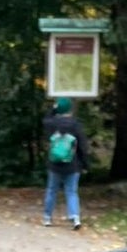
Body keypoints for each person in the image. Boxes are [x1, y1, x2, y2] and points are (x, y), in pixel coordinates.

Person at [42, 95, 89, 229]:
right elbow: (82, 146)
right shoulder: (76, 124)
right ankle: (75, 217)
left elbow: (45, 119)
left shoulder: (51, 124)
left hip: (54, 164)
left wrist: (53, 109)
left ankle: (47, 217)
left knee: (52, 190)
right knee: (71, 191)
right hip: (73, 165)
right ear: (70, 109)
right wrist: (85, 164)